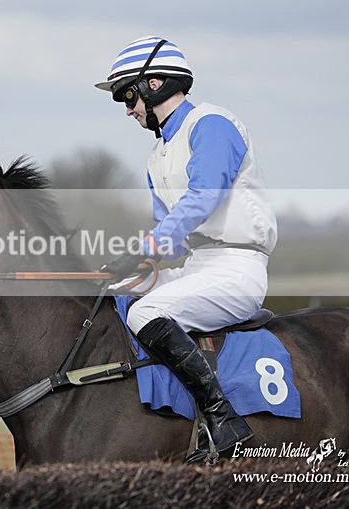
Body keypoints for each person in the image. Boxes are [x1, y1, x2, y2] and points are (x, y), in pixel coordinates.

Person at [95, 36, 278, 462]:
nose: (128, 108)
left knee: (145, 313)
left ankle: (222, 418)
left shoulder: (211, 124)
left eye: (128, 95)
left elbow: (203, 198)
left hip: (237, 268)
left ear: (154, 84)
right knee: (120, 296)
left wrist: (148, 247)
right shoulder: (156, 156)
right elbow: (168, 229)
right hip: (200, 264)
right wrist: (133, 265)